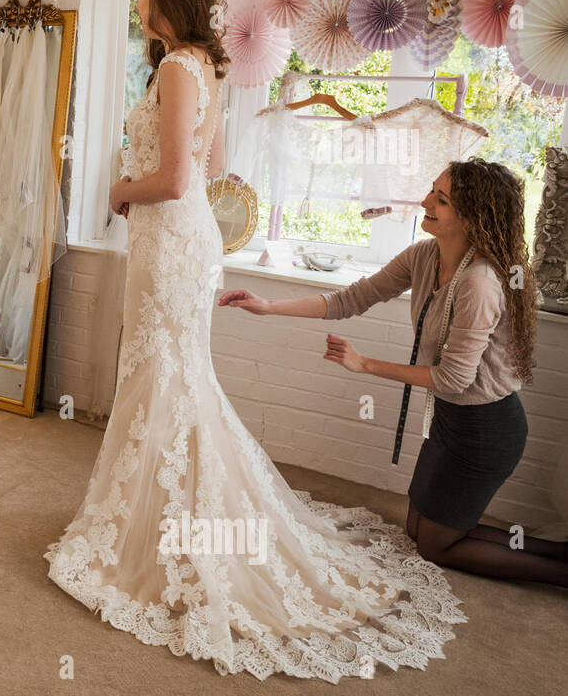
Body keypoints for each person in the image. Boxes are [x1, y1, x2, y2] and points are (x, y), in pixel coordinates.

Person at [46, 0, 465, 683]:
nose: (137, 0)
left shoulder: (180, 69)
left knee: (165, 377)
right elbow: (207, 169)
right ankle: (156, 520)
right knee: (171, 379)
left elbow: (178, 181)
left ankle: (167, 533)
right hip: (182, 243)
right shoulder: (204, 67)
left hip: (170, 240)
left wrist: (118, 189)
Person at [222, 158, 566, 586]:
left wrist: (365, 364)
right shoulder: (425, 255)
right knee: (418, 529)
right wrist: (268, 306)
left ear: (474, 216)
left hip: (486, 429)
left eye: (441, 199)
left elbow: (454, 379)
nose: (426, 202)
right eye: (431, 191)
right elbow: (352, 298)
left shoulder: (479, 283)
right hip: (449, 419)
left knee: (435, 547)